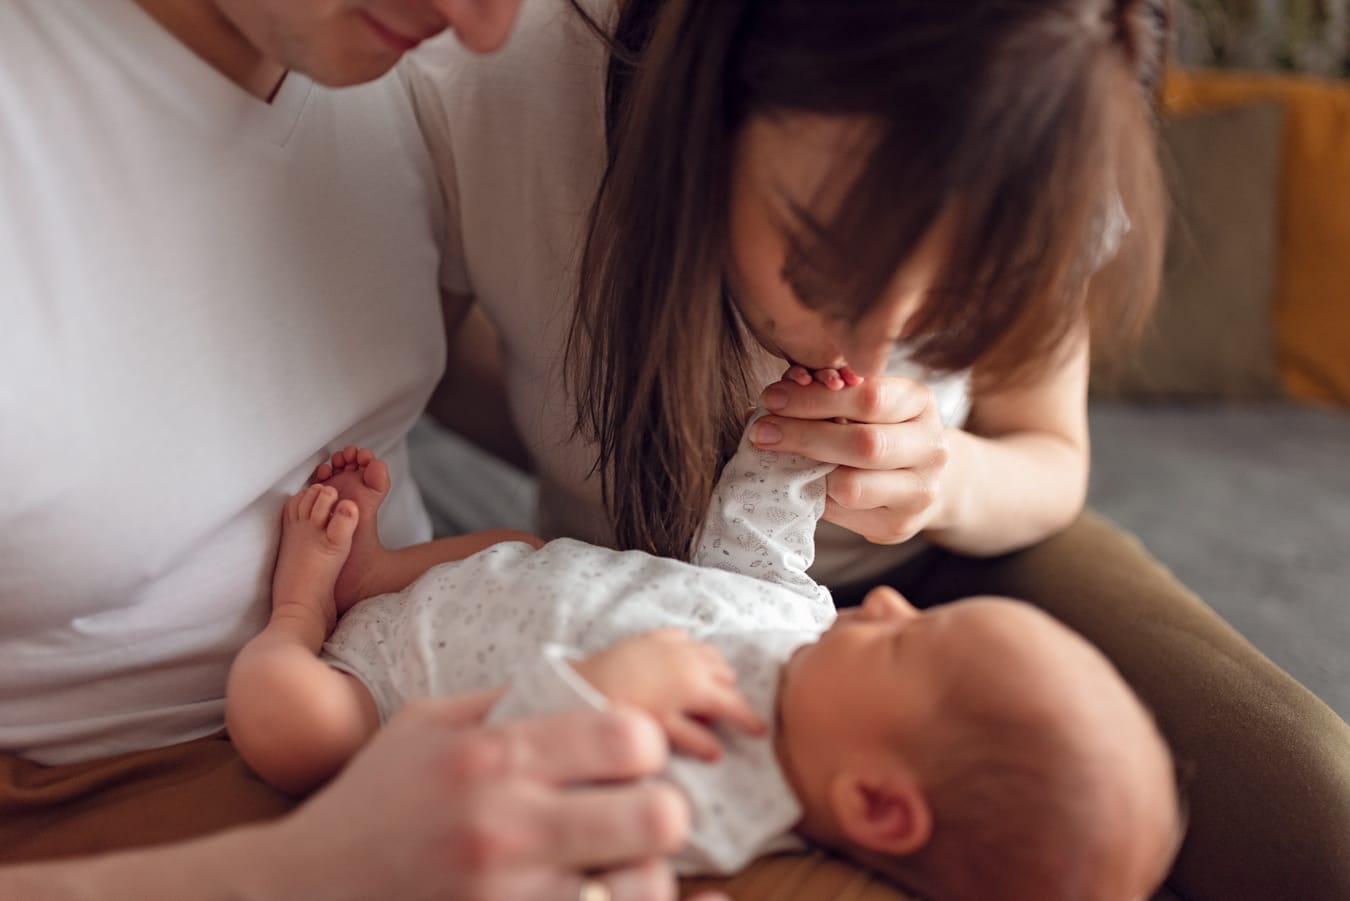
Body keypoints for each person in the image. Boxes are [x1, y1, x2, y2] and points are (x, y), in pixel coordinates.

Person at [408, 0, 1350, 899]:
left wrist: (950, 479)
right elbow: (426, 371)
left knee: (1316, 816)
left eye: (952, 312)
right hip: (645, 598)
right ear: (721, 95)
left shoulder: (1054, 119)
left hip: (955, 584)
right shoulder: (499, 87)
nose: (865, 355)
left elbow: (1049, 456)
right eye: (822, 267)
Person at [0, 1, 702, 899]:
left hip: (418, 679)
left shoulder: (382, 71)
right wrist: (307, 870)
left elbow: (382, 366)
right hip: (122, 810)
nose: (482, 31)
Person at [226, 434, 1180, 901]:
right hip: (483, 581)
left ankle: (303, 610)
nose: (888, 602)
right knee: (522, 538)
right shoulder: (806, 622)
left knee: (285, 722)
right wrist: (795, 447)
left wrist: (608, 700)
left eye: (904, 641)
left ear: (877, 802)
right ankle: (380, 571)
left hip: (386, 702)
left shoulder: (709, 806)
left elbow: (505, 801)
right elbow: (750, 543)